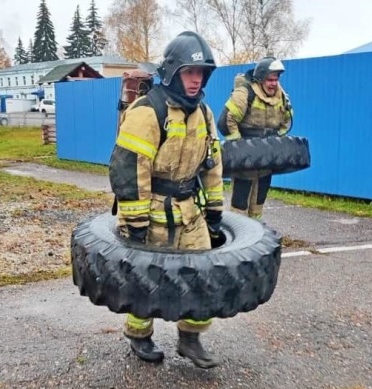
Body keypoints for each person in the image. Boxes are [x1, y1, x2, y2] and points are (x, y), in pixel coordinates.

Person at [108, 31, 225, 369]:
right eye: (189, 72)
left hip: (190, 213)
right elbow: (129, 169)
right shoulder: (148, 111)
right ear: (173, 72)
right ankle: (139, 335)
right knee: (145, 282)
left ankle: (190, 339)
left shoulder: (204, 113)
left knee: (203, 277)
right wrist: (135, 223)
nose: (196, 79)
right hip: (152, 212)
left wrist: (215, 212)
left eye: (201, 73)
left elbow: (212, 165)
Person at [218, 57, 293, 219]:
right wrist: (240, 147)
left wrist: (276, 144)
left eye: (276, 79)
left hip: (266, 159)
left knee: (259, 201)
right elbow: (225, 122)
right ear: (260, 78)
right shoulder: (245, 93)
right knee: (240, 203)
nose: (274, 83)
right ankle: (240, 230)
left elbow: (287, 120)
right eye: (270, 80)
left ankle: (257, 230)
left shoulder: (281, 96)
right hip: (245, 161)